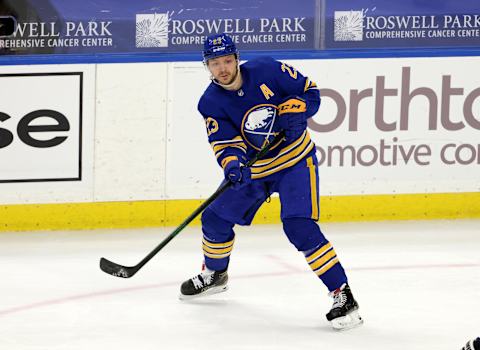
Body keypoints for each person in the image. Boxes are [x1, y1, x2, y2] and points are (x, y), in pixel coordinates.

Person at [179, 32, 363, 330]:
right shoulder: (210, 102)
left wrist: (300, 111)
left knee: (299, 226)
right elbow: (225, 143)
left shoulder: (268, 70)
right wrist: (233, 164)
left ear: (237, 58)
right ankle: (215, 275)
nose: (223, 68)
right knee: (214, 218)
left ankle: (343, 295)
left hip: (294, 162)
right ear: (206, 66)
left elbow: (310, 92)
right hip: (256, 171)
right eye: (215, 63)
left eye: (227, 60)